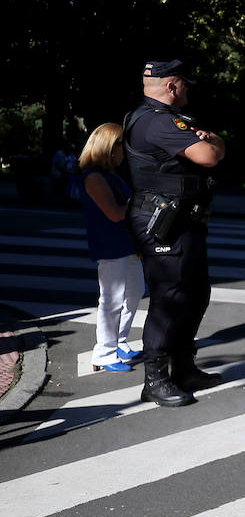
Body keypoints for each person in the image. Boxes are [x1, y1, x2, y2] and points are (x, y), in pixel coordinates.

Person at [124, 59, 226, 407]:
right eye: (185, 84)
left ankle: (183, 367)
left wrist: (213, 141)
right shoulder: (158, 122)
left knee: (195, 294)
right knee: (169, 298)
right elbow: (209, 156)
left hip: (184, 219)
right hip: (163, 222)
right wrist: (213, 141)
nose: (187, 89)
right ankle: (155, 378)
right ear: (172, 86)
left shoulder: (167, 121)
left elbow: (211, 151)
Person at [77, 123, 144, 374]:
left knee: (135, 292)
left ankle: (119, 342)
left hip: (126, 243)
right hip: (110, 244)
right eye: (121, 146)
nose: (124, 152)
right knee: (112, 300)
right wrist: (140, 205)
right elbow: (114, 214)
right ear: (109, 147)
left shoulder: (110, 174)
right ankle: (104, 353)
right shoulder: (94, 177)